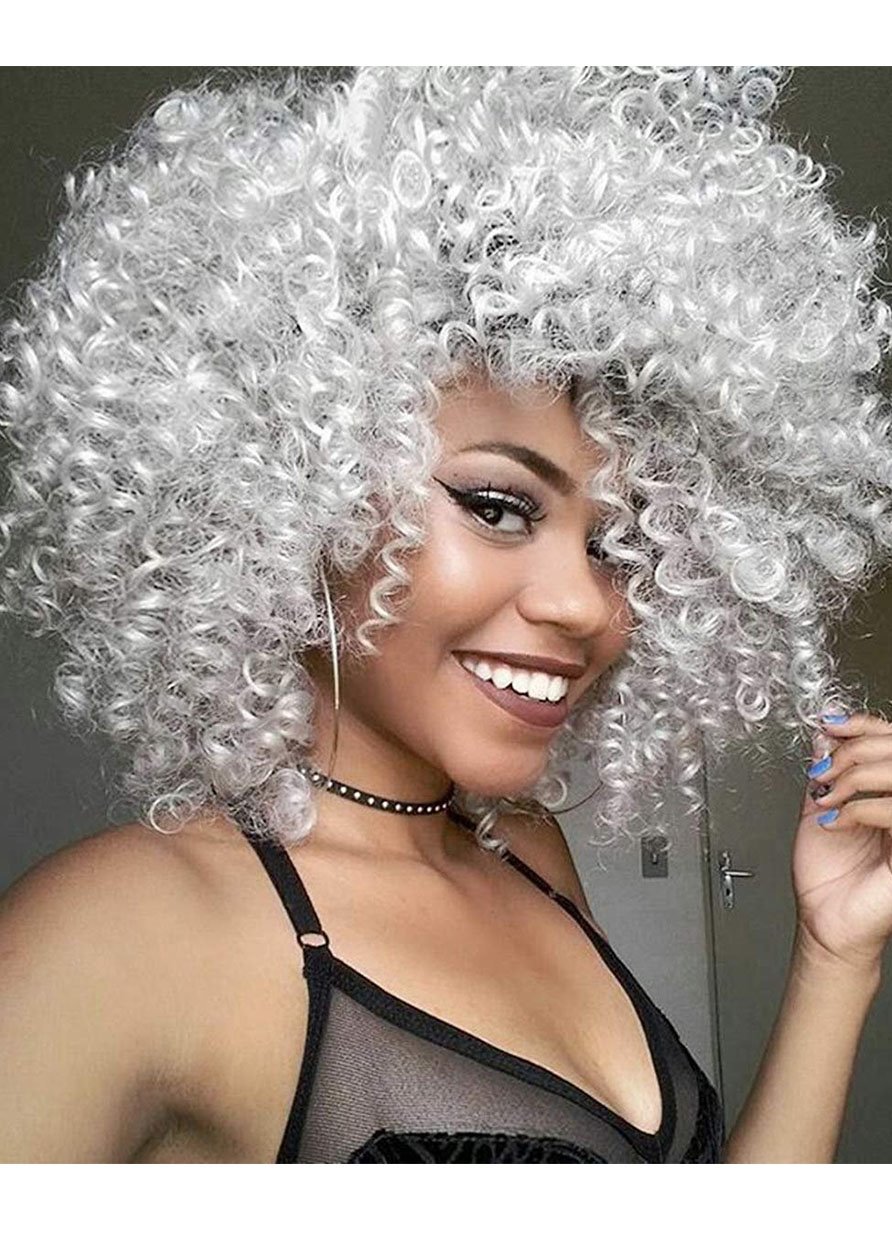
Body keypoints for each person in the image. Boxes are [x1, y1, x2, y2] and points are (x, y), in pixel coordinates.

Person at [1, 66, 891, 1164]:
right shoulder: (120, 933)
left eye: (618, 546)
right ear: (293, 492)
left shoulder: (530, 855)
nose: (584, 604)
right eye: (497, 507)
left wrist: (836, 952)